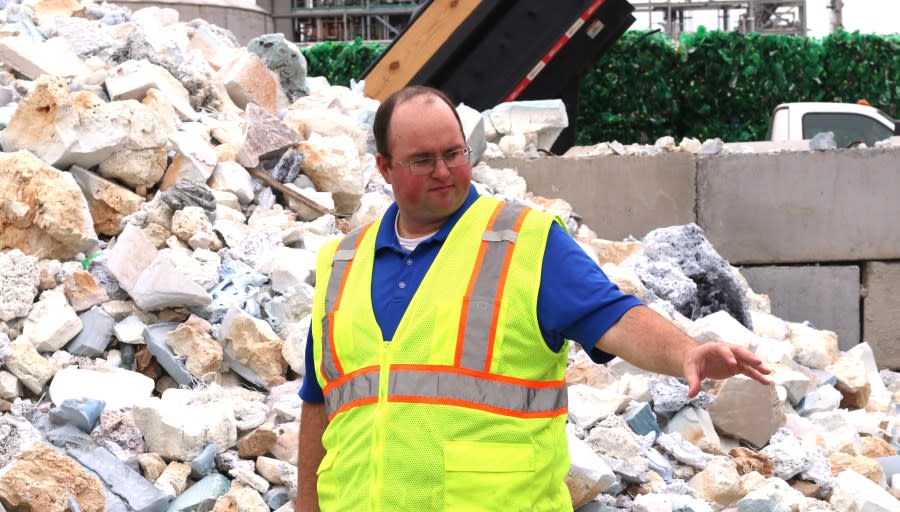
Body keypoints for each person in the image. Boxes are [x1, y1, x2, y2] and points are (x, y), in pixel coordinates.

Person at [296, 85, 771, 512]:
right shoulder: (342, 262)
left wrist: (687, 352)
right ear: (384, 167)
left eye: (454, 153)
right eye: (422, 160)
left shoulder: (525, 241)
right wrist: (306, 503)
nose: (444, 171)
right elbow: (320, 400)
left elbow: (615, 317)